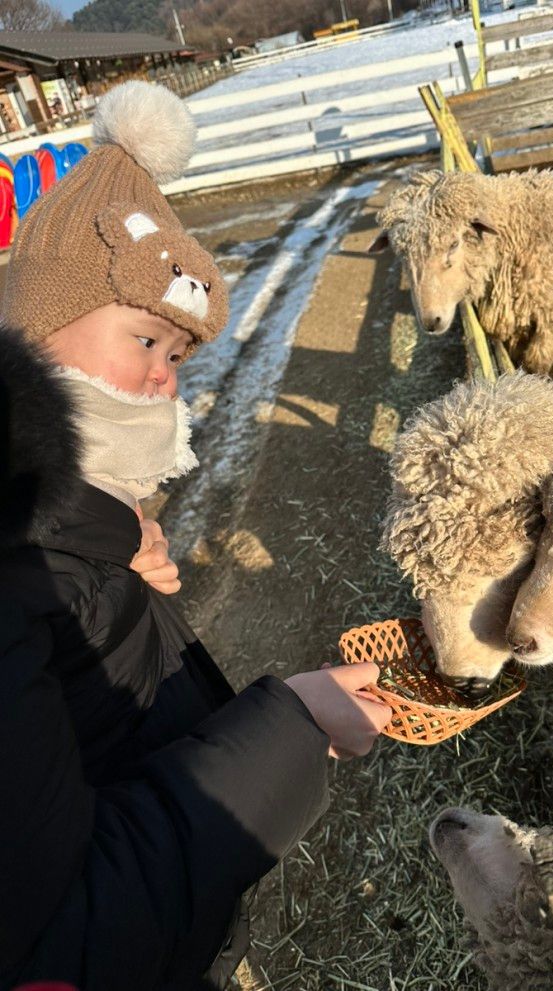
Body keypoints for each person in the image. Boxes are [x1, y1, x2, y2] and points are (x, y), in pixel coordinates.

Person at [0, 81, 391, 991]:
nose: (165, 379)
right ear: (35, 328)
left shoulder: (73, 523)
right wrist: (289, 730)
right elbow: (59, 945)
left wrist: (105, 540)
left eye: (177, 357)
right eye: (143, 340)